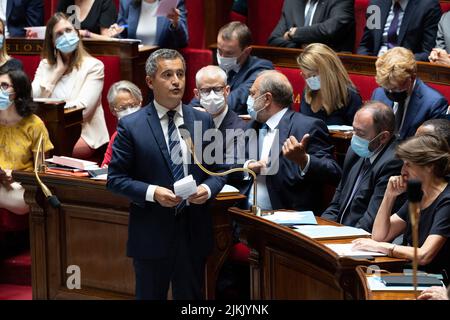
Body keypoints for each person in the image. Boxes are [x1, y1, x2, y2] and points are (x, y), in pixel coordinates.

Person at [106, 49, 226, 300]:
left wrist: (206, 190)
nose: (176, 81)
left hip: (193, 232)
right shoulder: (132, 125)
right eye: (168, 74)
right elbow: (116, 180)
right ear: (150, 82)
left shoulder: (203, 121)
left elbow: (218, 173)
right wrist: (153, 192)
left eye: (180, 74)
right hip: (151, 232)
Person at [352, 134, 450, 285]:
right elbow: (379, 236)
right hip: (416, 274)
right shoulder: (418, 194)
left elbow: (425, 255)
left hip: (439, 282)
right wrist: (389, 195)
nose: (403, 170)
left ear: (430, 166)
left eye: (409, 164)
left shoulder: (446, 200)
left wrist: (383, 247)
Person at [244, 70, 341, 213]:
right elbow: (231, 161)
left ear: (267, 99)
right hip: (245, 214)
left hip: (285, 218)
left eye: (252, 94)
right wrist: (248, 166)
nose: (249, 99)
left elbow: (334, 174)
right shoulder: (253, 125)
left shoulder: (307, 127)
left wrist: (304, 160)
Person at [32, 13, 109, 159]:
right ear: (53, 42)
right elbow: (33, 100)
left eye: (68, 30)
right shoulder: (45, 66)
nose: (65, 36)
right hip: (47, 129)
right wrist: (56, 73)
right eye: (59, 34)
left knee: (54, 145)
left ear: (77, 34)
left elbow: (83, 109)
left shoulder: (94, 66)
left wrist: (50, 111)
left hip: (84, 131)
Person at [321, 102, 404, 231]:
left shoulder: (393, 163)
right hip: (339, 232)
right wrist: (323, 227)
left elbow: (371, 219)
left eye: (361, 133)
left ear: (383, 137)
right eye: (353, 129)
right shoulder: (354, 152)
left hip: (360, 237)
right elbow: (337, 200)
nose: (354, 138)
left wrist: (341, 239)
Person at [0, 68, 53, 215]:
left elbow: (42, 168)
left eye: (4, 86)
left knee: (23, 199)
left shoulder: (34, 125)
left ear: (19, 91)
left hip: (21, 186)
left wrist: (14, 174)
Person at [191, 22, 273, 115]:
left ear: (246, 51)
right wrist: (192, 112)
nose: (222, 57)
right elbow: (199, 98)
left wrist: (206, 112)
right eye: (219, 51)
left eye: (229, 53)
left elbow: (237, 100)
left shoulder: (262, 69)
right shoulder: (219, 69)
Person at [371, 47, 448, 140]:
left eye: (396, 88)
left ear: (412, 77)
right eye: (387, 88)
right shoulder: (379, 94)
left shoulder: (434, 103)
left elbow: (432, 146)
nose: (391, 92)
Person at [297, 43, 362, 126]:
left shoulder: (350, 97)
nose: (309, 81)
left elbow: (357, 135)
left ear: (328, 72)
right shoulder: (308, 92)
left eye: (312, 75)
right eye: (305, 76)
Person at [357, 0, 442, 62]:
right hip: (376, 64)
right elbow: (366, 45)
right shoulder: (376, 4)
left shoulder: (428, 6)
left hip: (406, 70)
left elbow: (428, 52)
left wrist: (400, 61)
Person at [267, 0, 355, 52]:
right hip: (295, 63)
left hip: (329, 69)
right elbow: (273, 40)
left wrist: (294, 33)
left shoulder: (341, 1)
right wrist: (301, 47)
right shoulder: (292, 2)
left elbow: (329, 29)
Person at [108, 0, 188, 48]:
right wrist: (116, 33)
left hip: (163, 61)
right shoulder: (127, 2)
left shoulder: (173, 2)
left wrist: (175, 23)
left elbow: (182, 42)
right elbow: (122, 36)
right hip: (135, 61)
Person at [101, 80, 142, 167]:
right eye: (123, 108)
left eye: (133, 105)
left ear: (140, 102)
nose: (129, 111)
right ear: (113, 110)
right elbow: (104, 168)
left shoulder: (153, 130)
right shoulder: (117, 136)